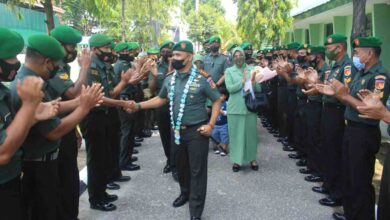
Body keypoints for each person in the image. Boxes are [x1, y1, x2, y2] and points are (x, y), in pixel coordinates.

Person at [10, 34, 103, 220]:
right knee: (44, 210)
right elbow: (54, 131)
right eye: (54, 65)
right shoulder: (29, 85)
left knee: (56, 204)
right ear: (47, 62)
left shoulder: (32, 79)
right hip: (37, 164)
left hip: (46, 161)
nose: (55, 69)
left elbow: (53, 106)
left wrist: (80, 101)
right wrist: (84, 107)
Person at [127, 40, 221, 220]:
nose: (174, 58)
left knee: (197, 172)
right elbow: (160, 99)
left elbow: (217, 100)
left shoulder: (202, 79)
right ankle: (185, 193)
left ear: (189, 57)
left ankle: (196, 211)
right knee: (180, 167)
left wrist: (210, 125)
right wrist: (138, 106)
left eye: (178, 55)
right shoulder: (170, 78)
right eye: (173, 55)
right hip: (176, 131)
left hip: (197, 132)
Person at [316, 36, 389, 220]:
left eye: (358, 52)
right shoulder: (361, 72)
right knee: (349, 175)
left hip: (364, 133)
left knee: (360, 180)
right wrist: (336, 93)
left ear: (370, 53)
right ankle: (350, 213)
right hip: (351, 129)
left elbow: (370, 109)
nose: (355, 54)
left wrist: (344, 96)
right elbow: (347, 95)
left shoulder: (379, 76)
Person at [0, 27, 59, 220]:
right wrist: (29, 107)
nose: (16, 63)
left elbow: (12, 129)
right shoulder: (22, 85)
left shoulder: (3, 91)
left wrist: (33, 116)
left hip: (13, 178)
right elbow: (3, 153)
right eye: (11, 57)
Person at [78, 34, 138, 212]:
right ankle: (95, 199)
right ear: (95, 50)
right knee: (96, 159)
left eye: (112, 48)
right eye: (107, 48)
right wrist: (122, 102)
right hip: (93, 117)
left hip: (105, 115)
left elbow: (111, 92)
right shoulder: (91, 69)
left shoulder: (106, 67)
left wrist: (124, 81)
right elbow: (100, 98)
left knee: (104, 155)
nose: (111, 52)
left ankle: (102, 192)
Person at [48, 25, 91, 220]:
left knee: (70, 178)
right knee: (64, 181)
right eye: (70, 47)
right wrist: (84, 68)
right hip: (53, 130)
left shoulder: (61, 66)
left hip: (66, 124)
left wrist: (74, 128)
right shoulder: (53, 67)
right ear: (57, 45)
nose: (73, 51)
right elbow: (72, 93)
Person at [317, 33, 356, 210]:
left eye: (329, 48)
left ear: (340, 47)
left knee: (335, 152)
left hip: (338, 113)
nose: (327, 51)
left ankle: (336, 193)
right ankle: (328, 185)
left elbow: (345, 93)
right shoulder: (335, 66)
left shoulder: (347, 67)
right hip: (328, 111)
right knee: (327, 149)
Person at [225, 46, 261, 172]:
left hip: (249, 108)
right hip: (235, 108)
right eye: (235, 55)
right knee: (235, 135)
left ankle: (252, 158)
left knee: (251, 135)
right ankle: (236, 160)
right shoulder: (229, 71)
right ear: (232, 58)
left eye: (240, 55)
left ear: (244, 56)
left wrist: (254, 82)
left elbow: (258, 90)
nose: (238, 57)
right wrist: (242, 81)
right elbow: (230, 89)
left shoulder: (252, 69)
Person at [114, 42, 142, 172]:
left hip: (129, 95)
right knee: (127, 131)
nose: (129, 53)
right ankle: (124, 161)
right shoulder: (121, 65)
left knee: (130, 130)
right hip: (124, 97)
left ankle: (127, 158)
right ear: (120, 53)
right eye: (125, 51)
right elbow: (129, 81)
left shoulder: (125, 64)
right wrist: (141, 70)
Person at [148, 41, 175, 175]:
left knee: (176, 134)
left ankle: (177, 163)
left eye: (169, 51)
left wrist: (171, 66)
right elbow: (151, 89)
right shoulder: (155, 66)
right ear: (160, 52)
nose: (166, 53)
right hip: (161, 105)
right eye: (164, 51)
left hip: (176, 105)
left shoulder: (180, 65)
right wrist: (154, 75)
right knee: (165, 134)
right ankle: (169, 160)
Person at [211, 87, 229, 156]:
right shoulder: (214, 103)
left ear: (225, 96)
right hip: (215, 124)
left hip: (224, 124)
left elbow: (229, 113)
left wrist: (222, 112)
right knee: (214, 136)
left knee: (224, 137)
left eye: (221, 95)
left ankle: (224, 149)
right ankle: (216, 148)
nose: (219, 97)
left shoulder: (227, 103)